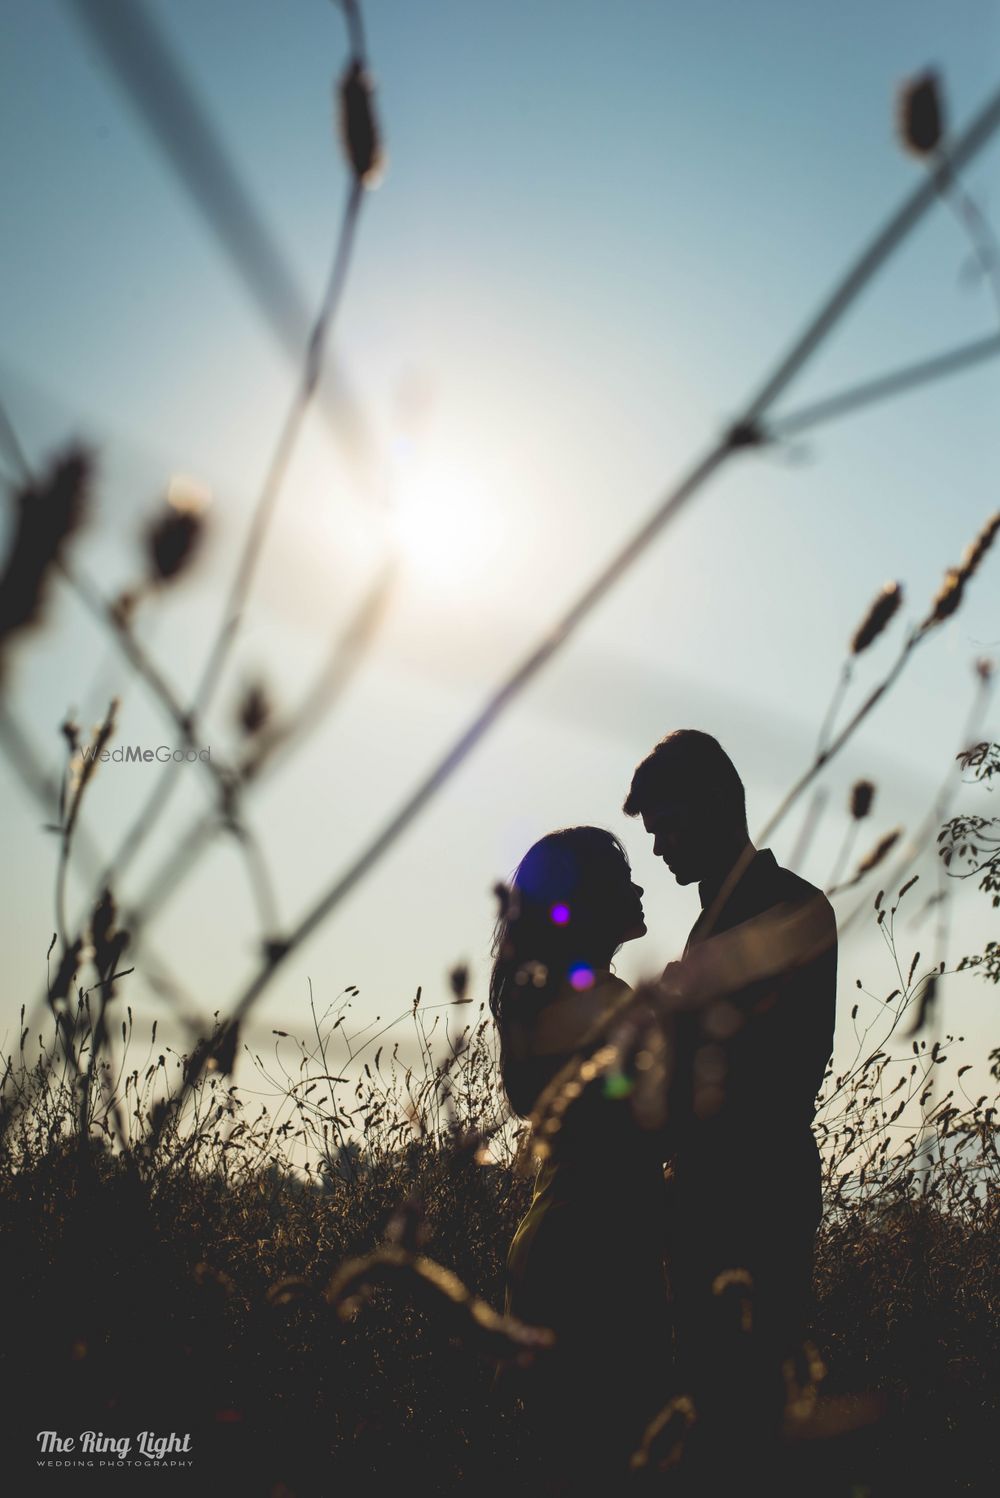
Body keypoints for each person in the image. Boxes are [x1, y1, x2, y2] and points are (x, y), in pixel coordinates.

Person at [622, 729, 838, 1470]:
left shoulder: (792, 910)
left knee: (750, 1422)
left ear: (716, 803)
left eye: (665, 827)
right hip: (704, 1205)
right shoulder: (704, 926)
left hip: (758, 1200)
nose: (657, 850)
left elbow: (787, 1071)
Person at [489, 826, 672, 1493]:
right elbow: (658, 1121)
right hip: (598, 1260)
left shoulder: (556, 999)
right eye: (622, 880)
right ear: (586, 900)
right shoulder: (599, 1005)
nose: (640, 886)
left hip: (561, 1248)